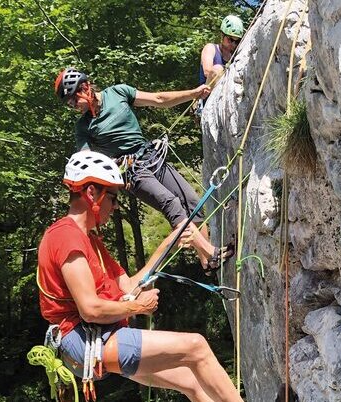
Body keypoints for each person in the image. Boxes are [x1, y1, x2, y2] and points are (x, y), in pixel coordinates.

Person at [37, 150, 243, 402]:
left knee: (191, 381)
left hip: (98, 337)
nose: (114, 206)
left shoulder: (90, 241)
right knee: (196, 347)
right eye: (112, 197)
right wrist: (138, 306)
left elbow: (129, 285)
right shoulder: (66, 237)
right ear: (92, 193)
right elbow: (90, 308)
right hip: (86, 341)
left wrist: (171, 241)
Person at [54, 68, 233, 273]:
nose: (74, 107)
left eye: (73, 101)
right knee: (171, 203)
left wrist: (193, 93)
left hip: (151, 156)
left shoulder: (118, 93)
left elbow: (158, 98)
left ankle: (206, 261)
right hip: (131, 171)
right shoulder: (83, 127)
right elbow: (88, 161)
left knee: (192, 201)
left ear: (84, 88)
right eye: (70, 104)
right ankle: (211, 252)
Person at [199, 15, 245, 87]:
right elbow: (207, 72)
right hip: (208, 94)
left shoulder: (234, 55)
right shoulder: (210, 48)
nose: (233, 43)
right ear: (222, 35)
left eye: (237, 41)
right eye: (230, 39)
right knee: (217, 69)